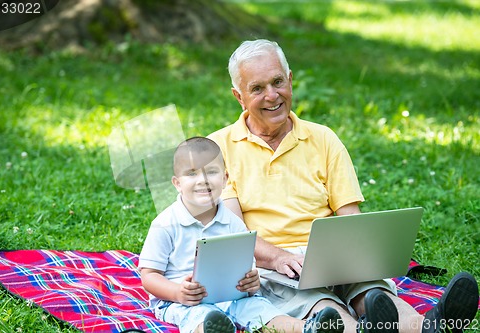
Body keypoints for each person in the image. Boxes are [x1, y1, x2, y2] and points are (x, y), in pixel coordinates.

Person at [207, 39, 479, 333]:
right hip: (273, 266)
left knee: (375, 293)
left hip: (330, 254)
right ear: (239, 96)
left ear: (290, 81)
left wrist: (358, 256)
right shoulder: (217, 148)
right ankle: (360, 330)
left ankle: (430, 326)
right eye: (257, 89)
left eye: (277, 82)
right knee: (325, 309)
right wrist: (281, 257)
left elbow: (349, 214)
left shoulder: (323, 138)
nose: (272, 96)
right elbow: (232, 234)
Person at [138, 136, 346, 333]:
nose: (202, 180)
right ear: (177, 183)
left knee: (261, 309)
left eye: (211, 171)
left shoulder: (233, 222)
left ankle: (308, 328)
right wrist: (177, 292)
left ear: (225, 178)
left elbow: (247, 267)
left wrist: (251, 283)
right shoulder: (165, 224)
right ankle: (212, 329)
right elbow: (149, 276)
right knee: (200, 316)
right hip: (181, 301)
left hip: (232, 297)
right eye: (192, 173)